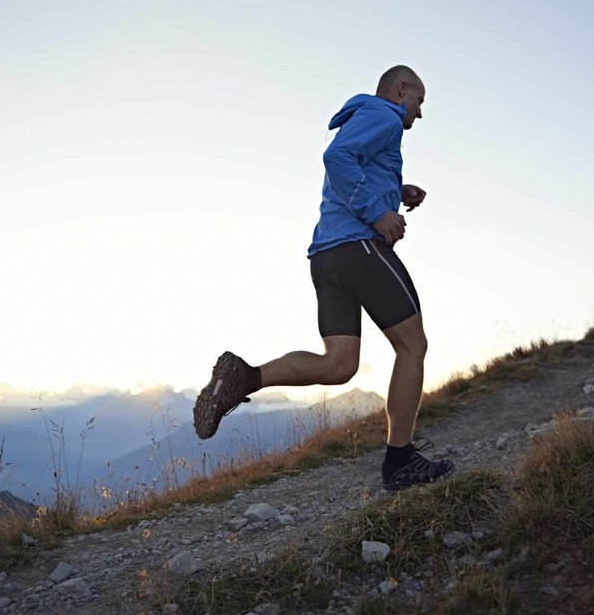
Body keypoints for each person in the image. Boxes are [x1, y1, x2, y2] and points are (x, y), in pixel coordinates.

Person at [193, 65, 455, 491]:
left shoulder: (365, 117)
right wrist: (378, 212)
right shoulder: (386, 115)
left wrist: (396, 191)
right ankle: (400, 461)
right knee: (413, 346)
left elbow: (352, 165)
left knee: (339, 364)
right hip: (359, 248)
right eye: (419, 101)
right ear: (401, 89)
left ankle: (245, 377)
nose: (419, 113)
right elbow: (337, 159)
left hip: (328, 256)